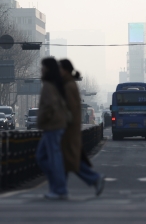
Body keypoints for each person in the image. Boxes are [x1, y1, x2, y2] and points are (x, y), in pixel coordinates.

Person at [59, 59, 105, 196]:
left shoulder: (68, 86)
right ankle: (60, 188)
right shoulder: (68, 84)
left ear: (66, 70)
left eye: (60, 69)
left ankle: (60, 188)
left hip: (67, 130)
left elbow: (71, 110)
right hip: (68, 129)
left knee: (68, 160)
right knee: (68, 160)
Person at [36, 57, 69, 200]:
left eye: (42, 67)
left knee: (53, 158)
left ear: (48, 69)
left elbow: (50, 106)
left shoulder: (48, 85)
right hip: (56, 125)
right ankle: (56, 186)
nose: (41, 70)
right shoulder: (55, 83)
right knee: (43, 156)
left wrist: (42, 120)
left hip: (52, 126)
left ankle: (59, 189)